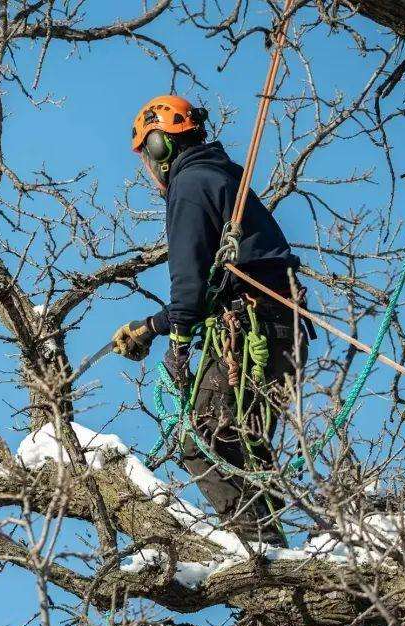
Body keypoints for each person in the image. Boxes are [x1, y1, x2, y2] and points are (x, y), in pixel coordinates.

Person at [111, 95, 312, 546]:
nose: (148, 165)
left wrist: (177, 341)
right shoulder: (221, 175)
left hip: (253, 333)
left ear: (161, 147)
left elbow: (189, 287)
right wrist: (151, 326)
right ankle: (277, 558)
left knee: (204, 441)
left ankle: (262, 562)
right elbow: (209, 290)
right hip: (281, 333)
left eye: (147, 152)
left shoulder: (189, 185)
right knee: (247, 452)